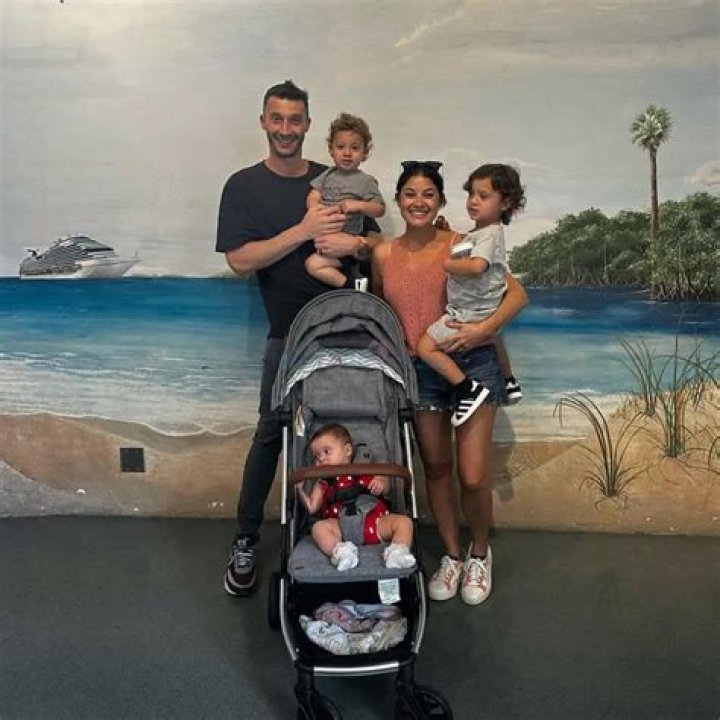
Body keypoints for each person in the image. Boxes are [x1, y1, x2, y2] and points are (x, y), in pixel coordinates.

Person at [215, 80, 380, 597]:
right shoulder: (243, 186)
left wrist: (356, 244)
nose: (285, 129)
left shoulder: (336, 176)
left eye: (295, 120)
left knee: (359, 424)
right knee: (270, 432)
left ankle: (357, 526)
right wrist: (304, 230)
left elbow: (376, 240)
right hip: (286, 334)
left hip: (348, 327)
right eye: (277, 119)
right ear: (263, 121)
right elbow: (239, 260)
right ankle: (245, 539)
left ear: (308, 124)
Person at [372, 160, 528, 606]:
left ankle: (480, 553)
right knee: (437, 468)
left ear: (441, 200)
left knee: (473, 475)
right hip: (420, 369)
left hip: (473, 363)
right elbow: (383, 312)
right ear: (398, 199)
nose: (418, 202)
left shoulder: (462, 243)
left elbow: (516, 294)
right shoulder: (383, 254)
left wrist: (483, 331)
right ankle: (453, 556)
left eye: (428, 194)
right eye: (409, 194)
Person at [417, 164, 526, 427]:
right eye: (471, 194)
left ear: (505, 203)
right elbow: (470, 248)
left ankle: (468, 389)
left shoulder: (489, 236)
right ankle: (509, 380)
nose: (474, 201)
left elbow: (477, 266)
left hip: (467, 314)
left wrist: (449, 265)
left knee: (425, 348)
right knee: (496, 335)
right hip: (483, 310)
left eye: (483, 196)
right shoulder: (482, 235)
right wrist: (448, 234)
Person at [298, 424, 416, 571]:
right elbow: (311, 507)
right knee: (318, 528)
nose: (321, 459)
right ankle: (341, 552)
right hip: (340, 528)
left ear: (347, 450)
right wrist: (300, 490)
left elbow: (385, 484)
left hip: (374, 521)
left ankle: (397, 553)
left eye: (326, 451)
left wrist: (381, 483)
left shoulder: (365, 468)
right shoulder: (323, 482)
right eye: (317, 457)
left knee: (404, 522)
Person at [304, 113, 385, 289]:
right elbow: (313, 195)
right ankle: (354, 283)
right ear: (331, 150)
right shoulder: (327, 175)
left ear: (364, 153)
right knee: (312, 264)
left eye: (355, 148)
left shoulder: (366, 181)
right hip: (325, 239)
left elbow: (379, 208)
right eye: (341, 147)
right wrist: (315, 207)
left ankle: (352, 285)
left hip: (348, 243)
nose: (347, 153)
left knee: (313, 264)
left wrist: (359, 205)